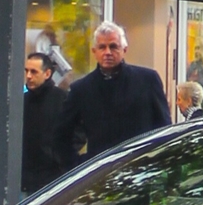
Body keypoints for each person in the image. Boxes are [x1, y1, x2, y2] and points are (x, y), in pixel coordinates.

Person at [53, 21, 170, 170]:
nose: (107, 52)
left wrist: (157, 163)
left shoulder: (147, 80)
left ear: (124, 50)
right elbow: (61, 136)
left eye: (113, 46)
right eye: (102, 47)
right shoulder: (81, 89)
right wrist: (78, 167)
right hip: (100, 176)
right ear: (94, 51)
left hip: (142, 171)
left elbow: (164, 127)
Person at [21, 53, 69, 194]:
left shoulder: (62, 99)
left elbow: (77, 133)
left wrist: (58, 157)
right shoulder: (22, 101)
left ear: (47, 73)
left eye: (34, 72)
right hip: (24, 178)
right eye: (26, 71)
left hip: (52, 178)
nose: (28, 76)